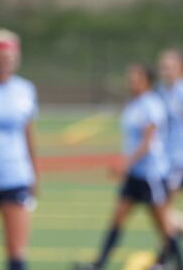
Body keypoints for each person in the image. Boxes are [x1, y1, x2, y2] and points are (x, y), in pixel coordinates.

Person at [76, 64, 182, 270]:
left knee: (164, 226)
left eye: (135, 77)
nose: (130, 81)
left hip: (151, 174)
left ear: (146, 81)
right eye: (129, 77)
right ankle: (99, 264)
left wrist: (125, 163)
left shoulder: (151, 104)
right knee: (117, 219)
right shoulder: (134, 103)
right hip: (135, 175)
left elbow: (148, 142)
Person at [0, 29, 39, 270]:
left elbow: (28, 133)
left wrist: (34, 172)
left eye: (10, 59)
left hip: (16, 176)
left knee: (17, 250)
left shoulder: (25, 89)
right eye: (0, 59)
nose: (5, 64)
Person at [158, 49, 183, 230]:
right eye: (163, 67)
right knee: (163, 210)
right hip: (164, 158)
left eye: (169, 67)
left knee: (163, 208)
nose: (165, 71)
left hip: (178, 159)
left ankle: (164, 255)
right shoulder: (160, 92)